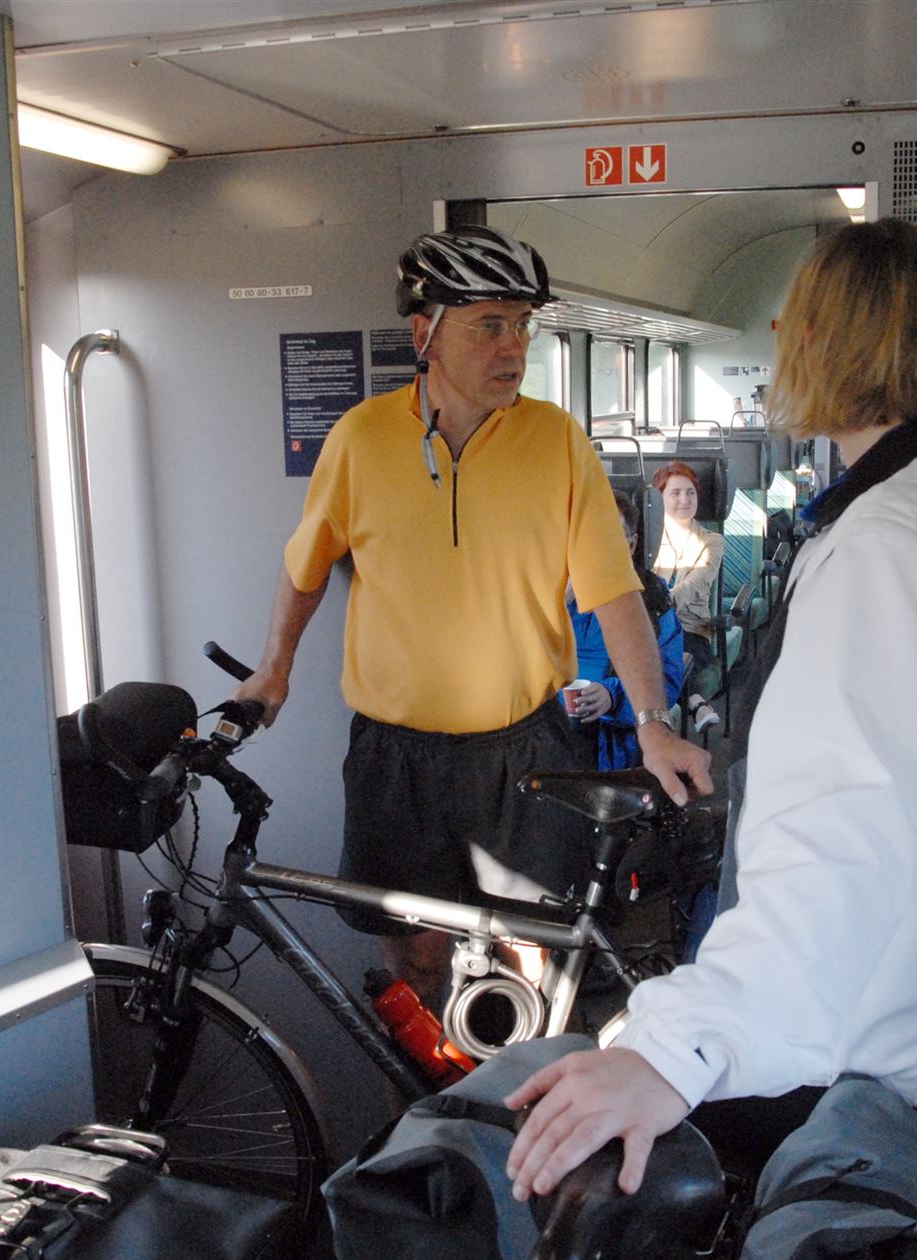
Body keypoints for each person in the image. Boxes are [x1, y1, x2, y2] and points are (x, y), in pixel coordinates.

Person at [503, 217, 917, 1202]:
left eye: (796, 318)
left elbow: (839, 836)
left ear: (834, 342)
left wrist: (672, 1053)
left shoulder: (883, 548)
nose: (781, 333)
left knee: (546, 1137)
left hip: (869, 1033)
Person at [234, 226, 713, 1007]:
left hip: (523, 750)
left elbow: (613, 593)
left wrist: (654, 723)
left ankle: (516, 1088)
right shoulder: (361, 439)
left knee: (529, 966)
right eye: (489, 325)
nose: (512, 346)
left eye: (522, 325)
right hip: (396, 758)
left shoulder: (556, 441)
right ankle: (429, 1087)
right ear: (424, 334)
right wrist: (274, 670)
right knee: (415, 957)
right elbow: (306, 567)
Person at [566, 498, 685, 771]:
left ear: (631, 546)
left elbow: (667, 681)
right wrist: (555, 606)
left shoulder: (652, 601)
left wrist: (612, 697)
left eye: (610, 538)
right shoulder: (546, 593)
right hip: (547, 736)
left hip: (612, 745)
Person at [650, 461, 724, 731]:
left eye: (690, 492)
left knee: (669, 654)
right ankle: (695, 702)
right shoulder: (647, 537)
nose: (685, 500)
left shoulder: (711, 541)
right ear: (659, 499)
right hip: (651, 624)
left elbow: (698, 581)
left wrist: (663, 604)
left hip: (690, 629)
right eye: (676, 493)